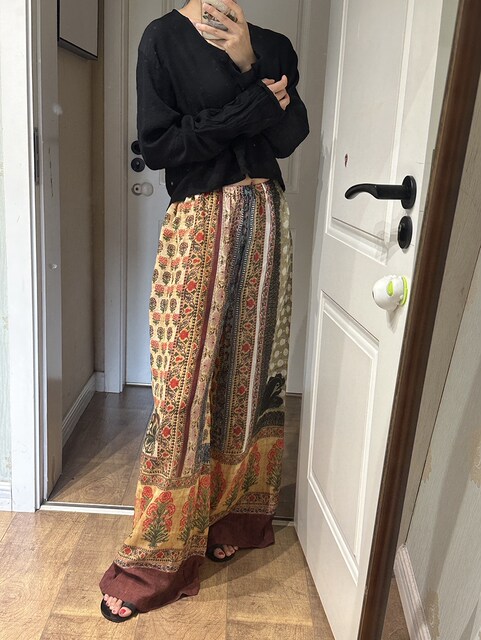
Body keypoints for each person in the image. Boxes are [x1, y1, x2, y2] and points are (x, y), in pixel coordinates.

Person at [99, 0, 309, 622]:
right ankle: (156, 557)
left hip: (265, 222)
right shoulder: (161, 39)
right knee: (182, 389)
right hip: (197, 224)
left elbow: (290, 136)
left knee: (248, 383)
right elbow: (162, 144)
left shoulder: (271, 45)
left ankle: (233, 517)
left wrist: (247, 64)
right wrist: (254, 104)